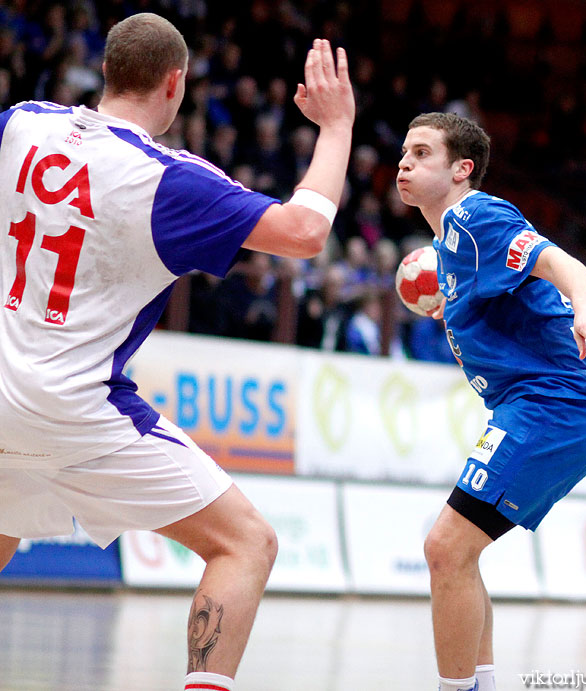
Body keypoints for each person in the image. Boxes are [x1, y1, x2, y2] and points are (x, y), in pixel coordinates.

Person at [0, 13, 354, 691]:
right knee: (246, 542)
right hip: (74, 408)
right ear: (175, 83)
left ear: (104, 70)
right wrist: (335, 127)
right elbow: (306, 231)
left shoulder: (20, 123)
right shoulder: (170, 180)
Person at [395, 112, 586, 691]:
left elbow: (557, 260)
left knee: (446, 548)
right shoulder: (449, 247)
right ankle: (481, 682)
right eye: (404, 152)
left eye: (422, 153)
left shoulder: (476, 214)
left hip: (561, 399)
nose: (404, 162)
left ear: (461, 169)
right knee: (454, 550)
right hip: (540, 402)